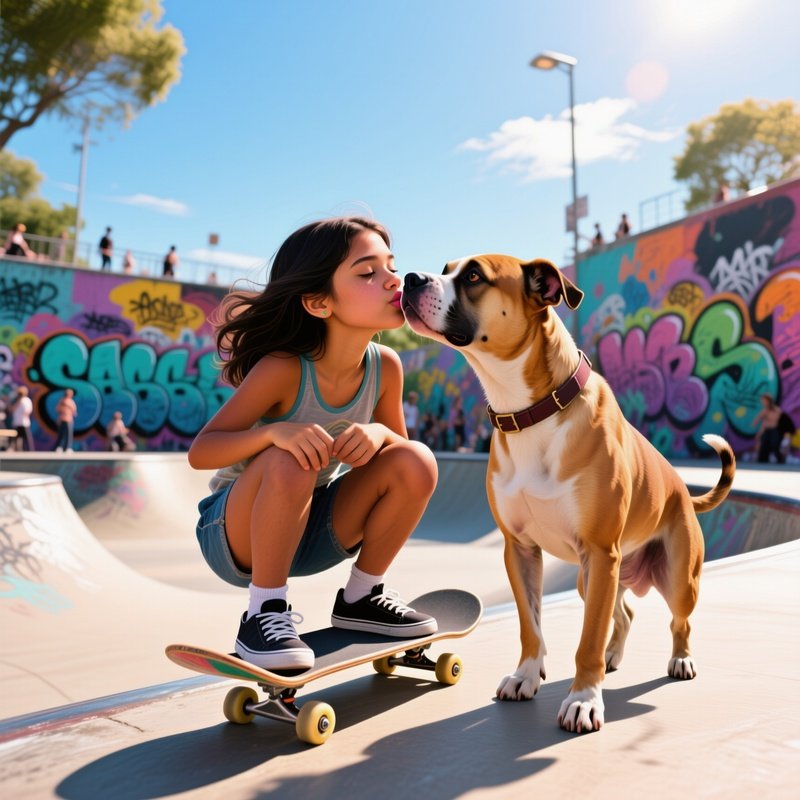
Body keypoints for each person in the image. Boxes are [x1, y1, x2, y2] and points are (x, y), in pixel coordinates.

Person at [188, 216, 439, 671]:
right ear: (319, 302)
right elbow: (201, 452)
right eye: (368, 273)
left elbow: (401, 464)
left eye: (391, 266)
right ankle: (263, 612)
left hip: (313, 529)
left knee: (417, 458)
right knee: (291, 458)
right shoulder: (284, 368)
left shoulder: (386, 367)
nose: (392, 281)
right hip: (234, 536)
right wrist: (272, 433)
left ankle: (362, 597)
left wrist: (381, 434)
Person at [754, 394, 795, 464]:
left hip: (775, 431)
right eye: (763, 401)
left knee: (775, 444)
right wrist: (759, 433)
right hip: (767, 431)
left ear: (769, 401)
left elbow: (780, 421)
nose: (763, 403)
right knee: (764, 444)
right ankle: (763, 460)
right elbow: (762, 423)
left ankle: (779, 460)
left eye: (765, 401)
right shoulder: (764, 411)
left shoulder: (777, 411)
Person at [10, 386, 35, 451]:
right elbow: (12, 409)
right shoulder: (16, 400)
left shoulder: (27, 400)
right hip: (16, 422)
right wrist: (18, 401)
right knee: (16, 438)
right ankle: (16, 449)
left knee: (26, 438)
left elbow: (28, 411)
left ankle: (29, 450)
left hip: (24, 422)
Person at [53, 388, 78, 452]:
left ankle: (64, 447)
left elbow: (57, 409)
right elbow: (74, 412)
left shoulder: (63, 401)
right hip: (66, 419)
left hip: (65, 419)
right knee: (64, 434)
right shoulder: (68, 402)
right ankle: (63, 447)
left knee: (65, 434)